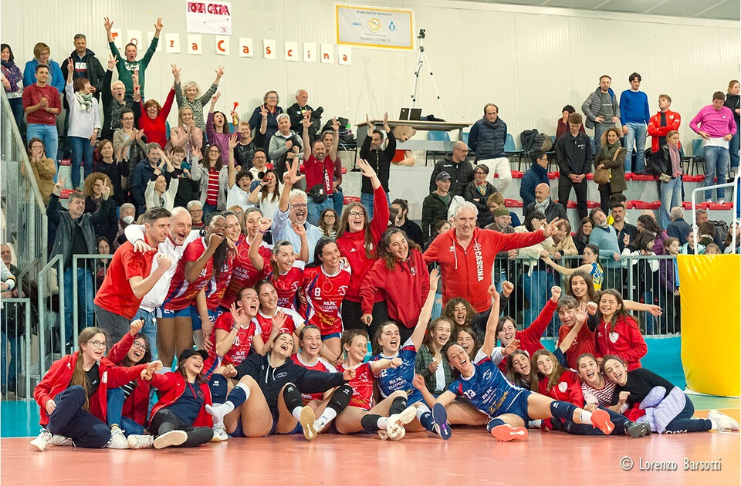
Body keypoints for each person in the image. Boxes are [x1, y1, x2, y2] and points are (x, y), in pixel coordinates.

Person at [424, 287, 614, 442]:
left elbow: (491, 329)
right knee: (494, 424)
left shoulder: (482, 359)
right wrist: (437, 414)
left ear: (467, 353)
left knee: (556, 407)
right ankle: (513, 433)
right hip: (504, 412)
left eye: (461, 352)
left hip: (521, 398)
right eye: (454, 356)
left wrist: (496, 300)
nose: (459, 356)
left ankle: (594, 418)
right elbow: (440, 404)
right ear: (452, 363)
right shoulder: (458, 385)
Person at [205, 331, 355, 440]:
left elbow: (315, 378)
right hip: (237, 421)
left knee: (273, 384)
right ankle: (218, 425)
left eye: (291, 343)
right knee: (221, 370)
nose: (287, 343)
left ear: (291, 351)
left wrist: (341, 377)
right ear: (272, 344)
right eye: (283, 339)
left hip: (262, 424)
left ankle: (220, 412)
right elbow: (241, 371)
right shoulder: (257, 360)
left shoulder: (293, 369)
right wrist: (233, 372)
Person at [31, 327, 161, 451]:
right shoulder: (66, 362)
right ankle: (47, 434)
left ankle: (67, 439)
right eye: (96, 343)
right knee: (78, 391)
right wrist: (46, 401)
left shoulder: (103, 367)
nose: (101, 347)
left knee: (104, 434)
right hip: (58, 411)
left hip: (77, 417)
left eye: (103, 344)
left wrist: (145, 367)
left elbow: (122, 373)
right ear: (84, 346)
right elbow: (40, 389)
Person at [424, 201, 557, 313]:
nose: (467, 223)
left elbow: (516, 239)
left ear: (476, 220)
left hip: (482, 311)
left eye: (471, 219)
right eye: (463, 219)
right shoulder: (442, 241)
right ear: (454, 220)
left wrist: (542, 235)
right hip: (452, 310)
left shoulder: (488, 237)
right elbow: (420, 263)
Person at [158, 214, 232, 365]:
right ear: (206, 228)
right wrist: (211, 248)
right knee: (166, 354)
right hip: (167, 301)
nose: (221, 229)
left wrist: (205, 318)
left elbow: (201, 285)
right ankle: (160, 387)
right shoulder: (195, 247)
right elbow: (191, 276)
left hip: (184, 304)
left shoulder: (218, 252)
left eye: (225, 227)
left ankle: (182, 387)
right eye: (217, 225)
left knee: (185, 355)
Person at [47, 177, 113, 344]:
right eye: (77, 203)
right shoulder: (62, 218)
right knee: (67, 308)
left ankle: (86, 340)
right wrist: (56, 194)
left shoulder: (88, 219)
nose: (81, 206)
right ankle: (67, 340)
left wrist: (105, 198)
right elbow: (50, 213)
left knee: (89, 309)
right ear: (69, 205)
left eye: (82, 204)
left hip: (85, 269)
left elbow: (103, 214)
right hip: (67, 269)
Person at [603, 355, 739, 434]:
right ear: (609, 377)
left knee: (667, 426)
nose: (615, 371)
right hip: (666, 412)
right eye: (610, 370)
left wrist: (662, 409)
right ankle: (704, 419)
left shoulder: (640, 373)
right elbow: (615, 413)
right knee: (664, 425)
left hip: (680, 403)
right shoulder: (618, 392)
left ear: (625, 367)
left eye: (616, 366)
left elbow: (668, 388)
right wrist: (621, 403)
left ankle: (714, 423)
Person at [94, 207, 172, 344]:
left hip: (123, 309)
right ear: (147, 227)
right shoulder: (134, 251)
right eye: (161, 226)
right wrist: (161, 269)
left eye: (168, 226)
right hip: (113, 308)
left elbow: (134, 229)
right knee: (117, 357)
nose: (166, 231)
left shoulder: (148, 244)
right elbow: (138, 290)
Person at [532, 348, 650, 438]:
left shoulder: (568, 374)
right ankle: (627, 428)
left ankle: (629, 425)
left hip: (578, 412)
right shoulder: (542, 385)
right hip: (566, 421)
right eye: (540, 363)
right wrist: (546, 423)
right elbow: (545, 407)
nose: (545, 364)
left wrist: (576, 413)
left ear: (554, 360)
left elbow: (576, 396)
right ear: (537, 368)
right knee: (584, 427)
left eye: (547, 360)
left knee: (598, 411)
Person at [128, 349, 215, 449]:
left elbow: (207, 414)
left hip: (184, 428)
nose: (199, 361)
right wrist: (152, 377)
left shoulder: (204, 388)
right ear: (183, 362)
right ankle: (167, 436)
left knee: (208, 432)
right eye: (194, 358)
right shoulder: (174, 377)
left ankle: (159, 440)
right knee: (169, 417)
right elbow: (163, 381)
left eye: (201, 360)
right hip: (165, 417)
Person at [360, 227, 431, 342]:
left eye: (403, 241)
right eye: (395, 244)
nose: (402, 247)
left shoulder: (416, 255)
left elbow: (425, 285)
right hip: (398, 323)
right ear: (388, 249)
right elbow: (367, 286)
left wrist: (424, 309)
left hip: (419, 320)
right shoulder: (383, 265)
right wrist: (367, 310)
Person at [299, 238, 351, 361]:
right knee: (323, 361)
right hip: (309, 325)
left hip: (332, 326)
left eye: (336, 251)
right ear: (320, 257)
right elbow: (292, 284)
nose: (334, 256)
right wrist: (298, 293)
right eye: (328, 254)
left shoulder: (346, 270)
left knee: (337, 362)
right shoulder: (309, 273)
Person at [271, 159, 323, 263]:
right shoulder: (281, 227)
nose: (301, 208)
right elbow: (281, 212)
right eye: (297, 205)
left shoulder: (315, 232)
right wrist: (288, 185)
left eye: (304, 205)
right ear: (288, 208)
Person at [690, 92, 737, 203]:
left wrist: (731, 134)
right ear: (712, 101)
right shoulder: (705, 110)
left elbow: (734, 127)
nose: (718, 105)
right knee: (710, 173)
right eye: (716, 102)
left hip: (724, 144)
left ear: (723, 102)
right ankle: (708, 198)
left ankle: (721, 198)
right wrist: (700, 132)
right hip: (710, 144)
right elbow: (692, 123)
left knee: (722, 173)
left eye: (721, 103)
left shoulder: (728, 111)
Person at [104, 16, 163, 99]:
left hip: (139, 96)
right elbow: (113, 47)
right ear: (125, 53)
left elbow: (151, 49)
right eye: (129, 51)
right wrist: (108, 31)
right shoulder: (121, 63)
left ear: (136, 53)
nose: (131, 53)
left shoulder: (142, 63)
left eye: (133, 51)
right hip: (124, 96)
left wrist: (157, 31)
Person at [64, 61, 101, 189]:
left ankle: (87, 187)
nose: (89, 86)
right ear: (80, 86)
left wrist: (95, 132)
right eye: (87, 84)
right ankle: (76, 187)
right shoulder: (73, 98)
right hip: (76, 134)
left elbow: (97, 118)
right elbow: (68, 88)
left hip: (90, 135)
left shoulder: (94, 100)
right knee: (77, 160)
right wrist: (70, 73)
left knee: (89, 162)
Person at [594, 290, 647, 370]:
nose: (606, 304)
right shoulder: (597, 324)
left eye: (611, 302)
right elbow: (597, 348)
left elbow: (642, 348)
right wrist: (598, 357)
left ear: (618, 306)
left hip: (630, 370)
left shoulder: (628, 322)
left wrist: (616, 358)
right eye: (603, 301)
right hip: (608, 371)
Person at [302, 116, 339, 225]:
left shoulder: (329, 161)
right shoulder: (309, 161)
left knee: (329, 229)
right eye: (317, 149)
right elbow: (306, 145)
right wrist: (305, 129)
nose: (320, 151)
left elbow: (334, 146)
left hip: (327, 199)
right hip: (312, 200)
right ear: (313, 151)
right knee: (313, 229)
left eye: (322, 149)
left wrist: (336, 132)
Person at [468, 103, 511, 194]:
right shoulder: (478, 125)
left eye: (494, 113)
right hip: (484, 157)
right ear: (485, 114)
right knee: (485, 184)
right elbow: (471, 142)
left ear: (497, 113)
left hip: (500, 156)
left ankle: (495, 197)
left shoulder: (503, 125)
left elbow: (503, 139)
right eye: (489, 114)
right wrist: (480, 151)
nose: (492, 116)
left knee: (507, 178)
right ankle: (487, 202)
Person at [359, 113, 396, 219]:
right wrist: (370, 129)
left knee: (387, 222)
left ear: (382, 141)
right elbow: (365, 148)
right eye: (371, 139)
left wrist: (386, 127)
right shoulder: (366, 155)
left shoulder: (387, 155)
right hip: (367, 196)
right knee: (368, 224)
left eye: (376, 140)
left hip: (384, 195)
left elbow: (393, 143)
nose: (373, 142)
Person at [22, 64, 61, 164]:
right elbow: (27, 109)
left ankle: (54, 180)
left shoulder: (53, 90)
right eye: (41, 73)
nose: (44, 75)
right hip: (34, 125)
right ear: (36, 75)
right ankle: (35, 180)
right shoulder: (28, 90)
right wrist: (40, 105)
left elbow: (58, 110)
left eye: (46, 73)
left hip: (51, 126)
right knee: (35, 157)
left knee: (52, 159)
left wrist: (47, 108)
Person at [556, 113, 591, 221]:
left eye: (577, 126)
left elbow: (589, 158)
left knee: (583, 203)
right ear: (569, 124)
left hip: (581, 175)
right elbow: (560, 159)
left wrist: (584, 173)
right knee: (562, 202)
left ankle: (584, 228)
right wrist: (569, 174)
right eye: (572, 126)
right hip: (566, 176)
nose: (575, 128)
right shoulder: (562, 139)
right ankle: (562, 227)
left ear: (580, 125)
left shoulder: (585, 139)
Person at [101, 55, 141, 141]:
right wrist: (110, 69)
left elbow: (138, 115)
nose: (119, 90)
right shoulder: (109, 102)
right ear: (112, 92)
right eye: (116, 88)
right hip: (111, 135)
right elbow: (105, 88)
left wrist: (136, 86)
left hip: (128, 136)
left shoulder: (129, 103)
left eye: (121, 88)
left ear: (124, 92)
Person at [172, 64, 222, 130]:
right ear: (185, 92)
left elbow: (210, 92)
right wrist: (176, 77)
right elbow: (178, 90)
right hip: (186, 132)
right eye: (189, 90)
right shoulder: (182, 101)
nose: (192, 92)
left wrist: (218, 78)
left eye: (194, 90)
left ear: (197, 92)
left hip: (201, 132)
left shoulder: (200, 102)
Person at [581, 75, 620, 156]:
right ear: (600, 84)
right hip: (601, 125)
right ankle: (599, 167)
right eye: (603, 82)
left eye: (607, 82)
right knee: (600, 147)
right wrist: (594, 118)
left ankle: (611, 167)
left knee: (614, 147)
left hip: (612, 124)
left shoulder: (612, 95)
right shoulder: (594, 95)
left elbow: (617, 107)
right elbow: (584, 106)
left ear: (610, 84)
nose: (605, 84)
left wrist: (617, 116)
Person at [620, 73, 651, 173]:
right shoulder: (625, 94)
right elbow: (622, 109)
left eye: (638, 81)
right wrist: (623, 124)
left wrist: (649, 124)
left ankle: (639, 171)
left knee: (641, 150)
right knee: (628, 149)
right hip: (629, 123)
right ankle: (628, 171)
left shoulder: (643, 95)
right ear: (630, 82)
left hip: (642, 124)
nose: (637, 83)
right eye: (634, 81)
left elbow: (646, 111)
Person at [415, 318, 453, 397]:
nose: (444, 333)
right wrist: (427, 371)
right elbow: (412, 378)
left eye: (447, 331)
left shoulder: (445, 356)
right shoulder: (421, 350)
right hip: (422, 397)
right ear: (432, 333)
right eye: (440, 329)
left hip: (442, 398)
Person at [594, 127, 627, 214]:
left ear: (617, 137)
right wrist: (599, 167)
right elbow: (596, 162)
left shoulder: (622, 150)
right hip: (604, 181)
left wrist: (604, 164)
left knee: (616, 207)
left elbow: (618, 162)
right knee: (604, 206)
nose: (611, 138)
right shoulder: (603, 149)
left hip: (617, 182)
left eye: (613, 136)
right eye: (609, 136)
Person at [587, 208, 621, 288]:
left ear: (605, 214)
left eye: (601, 215)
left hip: (618, 267)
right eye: (596, 218)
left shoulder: (612, 228)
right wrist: (611, 253)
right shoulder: (595, 232)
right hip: (606, 268)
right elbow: (593, 250)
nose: (600, 219)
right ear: (594, 222)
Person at [139, 84, 176, 157]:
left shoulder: (161, 117)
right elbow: (138, 101)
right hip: (146, 153)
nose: (152, 108)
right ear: (145, 110)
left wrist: (176, 79)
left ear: (157, 109)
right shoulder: (143, 118)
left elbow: (169, 101)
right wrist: (136, 85)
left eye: (154, 107)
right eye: (149, 107)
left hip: (161, 153)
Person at [82, 173, 117, 241]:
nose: (99, 188)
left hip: (106, 238)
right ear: (91, 186)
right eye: (96, 185)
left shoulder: (111, 202)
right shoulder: (85, 201)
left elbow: (114, 223)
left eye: (102, 185)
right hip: (89, 238)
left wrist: (108, 239)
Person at [1, 44, 25, 138]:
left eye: (7, 52)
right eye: (3, 52)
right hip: (5, 99)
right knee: (6, 126)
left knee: (18, 125)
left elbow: (20, 80)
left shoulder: (15, 66)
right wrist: (4, 78)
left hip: (18, 98)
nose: (5, 54)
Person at [422, 172, 453, 243]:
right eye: (444, 181)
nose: (447, 184)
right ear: (437, 182)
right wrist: (426, 240)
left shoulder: (453, 197)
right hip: (436, 236)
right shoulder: (429, 199)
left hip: (451, 235)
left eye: (449, 182)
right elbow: (425, 222)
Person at [24, 138, 56, 204]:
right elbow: (27, 175)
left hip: (48, 199)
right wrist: (33, 163)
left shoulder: (49, 161)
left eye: (40, 147)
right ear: (30, 150)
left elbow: (50, 174)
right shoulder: (25, 162)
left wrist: (38, 162)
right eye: (35, 147)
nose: (38, 149)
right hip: (31, 200)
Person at [199, 144, 229, 215]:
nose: (213, 153)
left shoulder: (223, 169)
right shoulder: (202, 168)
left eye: (215, 151)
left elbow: (227, 186)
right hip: (206, 204)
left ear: (219, 154)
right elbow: (195, 177)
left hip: (220, 205)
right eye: (211, 151)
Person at [206, 92, 231, 159]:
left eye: (221, 116)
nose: (220, 117)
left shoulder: (229, 135)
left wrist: (238, 120)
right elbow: (209, 122)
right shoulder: (212, 134)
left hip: (231, 163)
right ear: (213, 121)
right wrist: (212, 104)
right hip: (218, 164)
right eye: (217, 116)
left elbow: (239, 137)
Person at [725, 80, 740, 174]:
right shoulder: (726, 99)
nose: (738, 89)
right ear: (730, 88)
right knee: (726, 149)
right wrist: (735, 110)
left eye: (739, 87)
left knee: (735, 148)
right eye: (735, 87)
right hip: (726, 126)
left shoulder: (740, 99)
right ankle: (725, 170)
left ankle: (734, 171)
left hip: (737, 124)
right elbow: (725, 109)